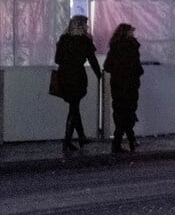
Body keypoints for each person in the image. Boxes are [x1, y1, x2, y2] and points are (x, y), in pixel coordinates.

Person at [54, 15, 101, 154]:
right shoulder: (84, 41)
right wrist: (99, 75)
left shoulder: (63, 40)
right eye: (85, 24)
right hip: (77, 76)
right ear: (81, 26)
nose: (87, 27)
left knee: (74, 107)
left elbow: (57, 59)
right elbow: (92, 60)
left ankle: (81, 137)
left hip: (64, 76)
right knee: (74, 107)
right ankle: (67, 141)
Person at [104, 23, 143, 154]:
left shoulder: (114, 48)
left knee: (120, 113)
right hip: (131, 85)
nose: (133, 34)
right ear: (127, 33)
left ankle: (122, 142)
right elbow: (137, 68)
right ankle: (128, 142)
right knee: (129, 113)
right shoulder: (132, 47)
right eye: (132, 31)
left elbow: (107, 66)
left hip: (117, 85)